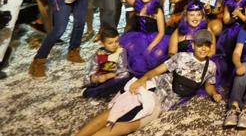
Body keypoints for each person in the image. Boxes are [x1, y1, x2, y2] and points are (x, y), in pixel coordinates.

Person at [76, 29, 220, 136]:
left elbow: (208, 84)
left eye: (207, 45)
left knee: (128, 125)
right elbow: (157, 70)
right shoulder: (181, 56)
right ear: (194, 45)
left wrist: (214, 93)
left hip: (164, 102)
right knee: (117, 110)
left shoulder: (211, 66)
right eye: (200, 45)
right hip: (154, 86)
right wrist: (143, 80)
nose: (203, 48)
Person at [108, 0, 169, 77]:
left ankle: (146, 75)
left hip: (154, 39)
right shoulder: (137, 5)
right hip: (137, 37)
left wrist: (150, 47)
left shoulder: (157, 10)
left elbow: (161, 32)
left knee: (150, 58)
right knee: (129, 55)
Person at [82, 26, 131, 98]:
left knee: (125, 79)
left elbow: (123, 71)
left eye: (116, 41)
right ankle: (99, 90)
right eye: (110, 43)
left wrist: (108, 76)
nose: (114, 45)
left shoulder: (121, 51)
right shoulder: (99, 53)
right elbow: (92, 70)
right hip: (102, 79)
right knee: (90, 82)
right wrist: (94, 78)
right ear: (102, 43)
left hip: (115, 78)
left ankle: (98, 91)